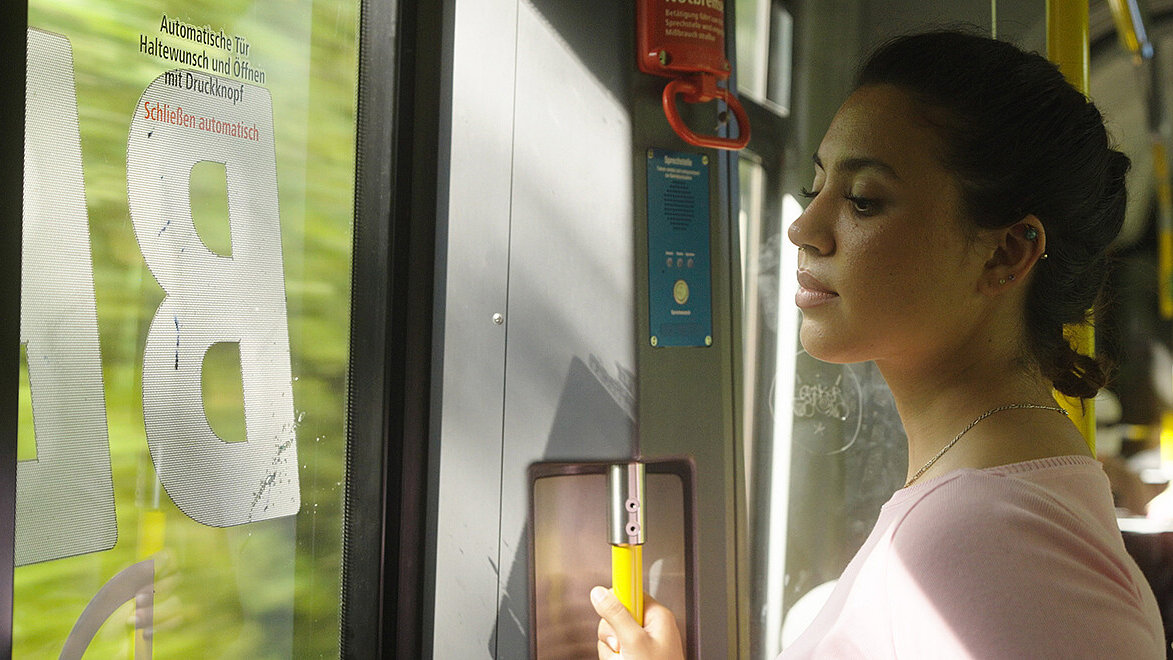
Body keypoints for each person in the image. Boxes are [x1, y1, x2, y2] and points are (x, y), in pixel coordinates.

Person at [590, 30, 1167, 658]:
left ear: (1007, 252)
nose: (803, 227)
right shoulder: (1006, 501)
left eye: (863, 200)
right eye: (817, 189)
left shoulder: (979, 537)